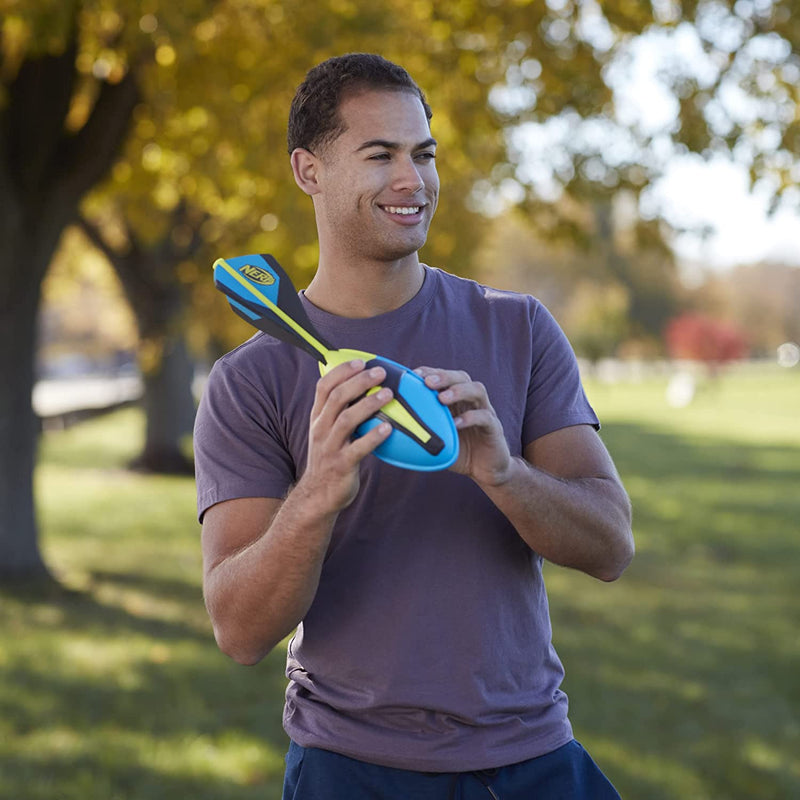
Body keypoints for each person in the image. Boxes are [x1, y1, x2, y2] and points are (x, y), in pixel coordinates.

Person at [194, 53, 634, 799]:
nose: (413, 179)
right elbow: (239, 631)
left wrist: (503, 474)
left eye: (423, 154)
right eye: (381, 155)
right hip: (351, 770)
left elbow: (610, 546)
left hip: (534, 759)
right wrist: (318, 492)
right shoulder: (253, 379)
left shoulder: (518, 328)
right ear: (309, 171)